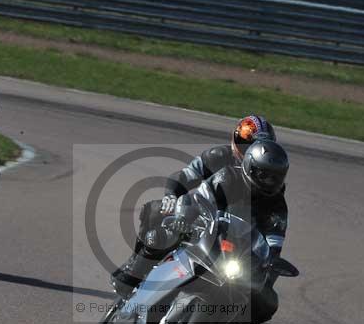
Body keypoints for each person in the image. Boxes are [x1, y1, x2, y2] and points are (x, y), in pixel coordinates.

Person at [113, 137, 289, 324]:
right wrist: (182, 219)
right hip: (202, 231)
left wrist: (268, 269)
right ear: (251, 167)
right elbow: (197, 198)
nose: (270, 181)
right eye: (264, 175)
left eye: (275, 177)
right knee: (161, 235)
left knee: (267, 303)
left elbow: (274, 244)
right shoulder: (228, 176)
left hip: (238, 254)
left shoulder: (278, 206)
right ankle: (133, 277)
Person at [111, 114, 276, 297]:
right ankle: (135, 266)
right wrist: (171, 197)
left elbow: (273, 220)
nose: (249, 149)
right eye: (246, 142)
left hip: (236, 233)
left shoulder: (269, 176)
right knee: (156, 210)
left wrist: (267, 263)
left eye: (255, 146)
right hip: (200, 216)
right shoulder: (217, 156)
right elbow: (184, 176)